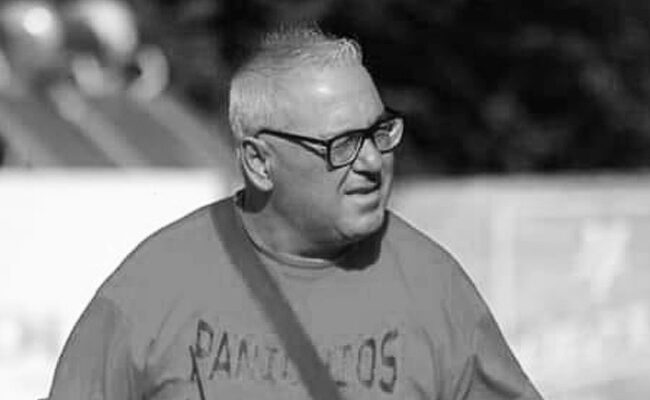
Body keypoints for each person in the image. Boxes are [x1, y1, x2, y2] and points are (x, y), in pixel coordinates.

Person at [48, 26, 543, 400]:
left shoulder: (433, 285)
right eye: (343, 144)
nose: (373, 162)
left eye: (378, 133)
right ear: (259, 162)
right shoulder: (152, 287)